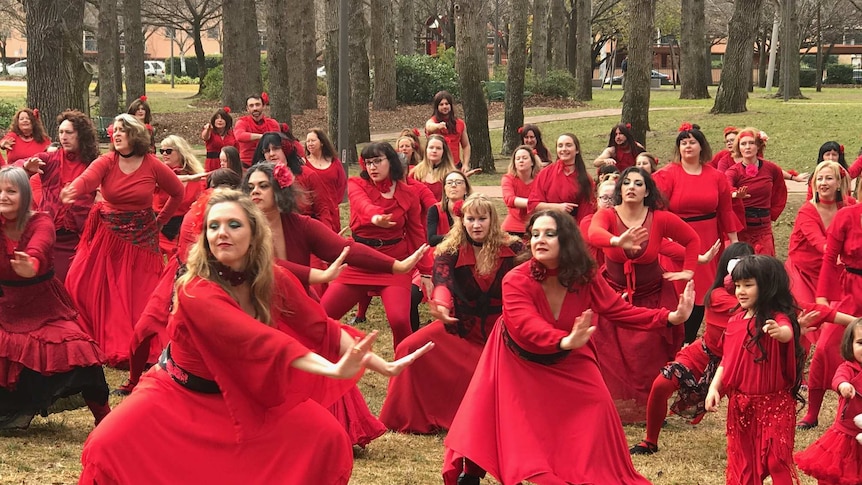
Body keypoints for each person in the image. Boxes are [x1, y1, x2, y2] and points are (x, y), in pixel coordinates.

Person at [79, 190, 382, 484]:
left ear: (254, 233)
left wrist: (370, 357)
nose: (222, 232)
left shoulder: (271, 278)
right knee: (106, 443)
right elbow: (257, 339)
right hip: (178, 395)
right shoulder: (194, 289)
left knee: (327, 437)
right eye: (214, 226)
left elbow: (320, 327)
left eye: (233, 225)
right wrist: (331, 369)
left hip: (243, 393)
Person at [442, 209, 695, 485]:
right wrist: (563, 340)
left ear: (567, 240)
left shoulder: (583, 275)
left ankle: (586, 471)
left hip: (570, 354)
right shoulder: (515, 278)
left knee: (598, 405)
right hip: (518, 357)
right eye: (535, 234)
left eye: (550, 234)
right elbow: (525, 323)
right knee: (493, 415)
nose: (540, 240)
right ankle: (472, 472)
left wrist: (669, 317)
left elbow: (616, 309)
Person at [380, 194, 525, 433]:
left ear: (492, 219)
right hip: (460, 326)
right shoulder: (450, 249)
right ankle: (402, 416)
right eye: (471, 219)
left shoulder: (513, 247)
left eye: (482, 219)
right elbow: (442, 279)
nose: (476, 225)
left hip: (501, 332)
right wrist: (442, 305)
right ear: (462, 221)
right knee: (408, 347)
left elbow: (534, 272)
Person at [60, 114, 185, 368]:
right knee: (78, 279)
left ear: (135, 135)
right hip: (108, 234)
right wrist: (75, 188)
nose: (116, 135)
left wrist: (160, 221)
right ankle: (98, 333)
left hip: (141, 237)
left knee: (136, 293)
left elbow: (177, 192)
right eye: (114, 130)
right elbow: (89, 178)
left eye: (122, 131)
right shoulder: (107, 161)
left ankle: (136, 338)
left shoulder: (151, 164)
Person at [587, 167, 700, 423]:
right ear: (619, 190)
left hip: (652, 295)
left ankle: (647, 408)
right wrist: (617, 241)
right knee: (608, 352)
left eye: (638, 183)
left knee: (650, 351)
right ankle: (616, 408)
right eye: (626, 182)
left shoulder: (659, 218)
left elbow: (692, 239)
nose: (631, 187)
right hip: (614, 294)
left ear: (647, 191)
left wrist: (688, 271)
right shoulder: (607, 215)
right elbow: (594, 234)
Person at [117, 168, 243, 396]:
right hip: (177, 275)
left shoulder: (237, 222)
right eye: (213, 189)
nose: (215, 195)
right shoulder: (197, 211)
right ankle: (134, 380)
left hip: (210, 283)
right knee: (143, 329)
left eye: (222, 190)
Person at [0, 167, 109, 430]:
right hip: (6, 305)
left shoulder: (41, 220)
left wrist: (32, 263)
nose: (3, 196)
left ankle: (106, 421)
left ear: (25, 195)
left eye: (11, 191)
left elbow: (41, 243)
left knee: (79, 349)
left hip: (44, 305)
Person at [630, 242, 755, 454]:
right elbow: (742, 307)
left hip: (740, 362)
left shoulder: (759, 303)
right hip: (705, 355)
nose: (741, 283)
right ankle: (650, 441)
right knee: (662, 383)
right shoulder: (717, 296)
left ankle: (750, 447)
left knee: (747, 404)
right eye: (736, 270)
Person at [705, 255, 805, 485]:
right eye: (738, 285)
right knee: (746, 466)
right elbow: (726, 361)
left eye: (748, 285)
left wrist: (781, 334)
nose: (740, 291)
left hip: (775, 404)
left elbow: (786, 330)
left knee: (776, 461)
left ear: (767, 285)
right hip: (743, 408)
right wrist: (714, 388)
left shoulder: (776, 319)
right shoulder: (735, 321)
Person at [320, 142, 428, 348]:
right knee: (323, 313)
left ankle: (406, 369)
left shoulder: (409, 193)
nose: (372, 167)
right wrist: (376, 216)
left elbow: (416, 235)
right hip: (359, 261)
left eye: (378, 161)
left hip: (394, 263)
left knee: (399, 321)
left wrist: (426, 272)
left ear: (391, 162)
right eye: (368, 162)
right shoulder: (356, 184)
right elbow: (362, 204)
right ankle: (321, 361)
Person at [653, 122, 741, 345]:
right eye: (683, 143)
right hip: (677, 237)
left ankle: (688, 339)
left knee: (703, 292)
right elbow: (656, 211)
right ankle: (672, 339)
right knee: (678, 291)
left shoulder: (716, 176)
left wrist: (733, 240)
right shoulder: (666, 175)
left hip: (708, 239)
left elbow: (725, 210)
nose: (688, 146)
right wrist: (667, 235)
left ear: (702, 146)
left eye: (692, 142)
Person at [786, 161, 853, 384]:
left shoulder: (849, 207)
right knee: (808, 320)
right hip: (802, 273)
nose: (823, 183)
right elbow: (821, 244)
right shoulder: (808, 210)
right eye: (820, 179)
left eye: (828, 178)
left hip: (832, 274)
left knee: (836, 325)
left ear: (839, 183)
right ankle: (796, 374)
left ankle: (842, 372)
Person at [17, 110, 99, 282]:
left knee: (76, 285)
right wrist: (25, 168)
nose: (64, 137)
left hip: (80, 238)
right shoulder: (49, 159)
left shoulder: (95, 164)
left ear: (81, 134)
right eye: (61, 132)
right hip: (49, 236)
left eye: (69, 132)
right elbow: (15, 171)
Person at [805, 196, 862, 430]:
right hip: (849, 290)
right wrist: (822, 297)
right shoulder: (846, 215)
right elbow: (830, 257)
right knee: (825, 349)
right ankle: (812, 413)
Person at [795, 318, 862, 485]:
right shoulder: (848, 368)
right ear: (850, 345)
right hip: (847, 434)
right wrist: (843, 385)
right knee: (839, 475)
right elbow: (838, 378)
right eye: (861, 342)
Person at [253, 131, 334, 231]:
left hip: (306, 233)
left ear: (285, 149)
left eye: (276, 148)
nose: (271, 154)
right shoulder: (258, 180)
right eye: (267, 151)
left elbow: (323, 209)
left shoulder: (307, 175)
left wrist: (325, 236)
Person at [725, 128, 787, 256]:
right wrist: (736, 194)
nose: (747, 147)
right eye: (743, 144)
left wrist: (772, 213)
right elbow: (725, 188)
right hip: (742, 228)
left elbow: (780, 191)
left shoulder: (772, 168)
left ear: (758, 146)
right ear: (738, 148)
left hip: (763, 227)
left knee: (765, 265)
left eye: (751, 143)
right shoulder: (733, 171)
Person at [154, 135, 206, 255]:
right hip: (160, 231)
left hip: (186, 230)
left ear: (181, 152)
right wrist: (187, 178)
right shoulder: (158, 174)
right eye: (162, 151)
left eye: (168, 150)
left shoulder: (198, 178)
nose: (164, 154)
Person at [527, 132, 596, 223]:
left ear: (577, 150)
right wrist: (557, 207)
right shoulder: (545, 173)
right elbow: (533, 204)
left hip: (572, 228)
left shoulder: (585, 178)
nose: (564, 149)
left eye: (568, 145)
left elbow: (587, 213)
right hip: (548, 224)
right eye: (560, 146)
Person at [1, 107, 51, 206]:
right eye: (22, 119)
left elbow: (51, 155)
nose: (25, 120)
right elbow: (4, 142)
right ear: (17, 123)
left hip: (37, 180)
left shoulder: (43, 139)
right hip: (14, 178)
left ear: (33, 122)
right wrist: (3, 144)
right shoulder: (13, 137)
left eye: (27, 118)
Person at [304, 128, 346, 232]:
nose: (310, 144)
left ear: (322, 142)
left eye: (313, 140)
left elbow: (342, 185)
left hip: (332, 211)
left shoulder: (335, 162)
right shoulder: (303, 163)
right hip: (313, 213)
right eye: (308, 141)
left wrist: (333, 202)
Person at [425, 90, 471, 170]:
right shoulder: (433, 121)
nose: (444, 106)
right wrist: (438, 126)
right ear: (437, 107)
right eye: (441, 104)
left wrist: (465, 164)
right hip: (436, 167)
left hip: (455, 166)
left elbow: (466, 145)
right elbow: (429, 126)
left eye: (447, 104)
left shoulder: (460, 123)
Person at [233, 93, 279, 167]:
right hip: (246, 165)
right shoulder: (242, 122)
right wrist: (263, 137)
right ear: (247, 109)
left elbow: (279, 141)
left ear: (263, 106)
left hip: (268, 165)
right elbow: (239, 136)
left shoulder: (272, 123)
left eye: (257, 104)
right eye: (251, 106)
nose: (255, 108)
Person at [501, 145, 537, 238]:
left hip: (536, 223)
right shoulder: (508, 178)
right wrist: (534, 203)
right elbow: (509, 199)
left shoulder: (540, 179)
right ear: (514, 163)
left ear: (532, 162)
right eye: (518, 159)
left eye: (525, 158)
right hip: (512, 226)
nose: (521, 160)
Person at [410, 134, 459, 201]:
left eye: (438, 148)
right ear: (426, 150)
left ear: (444, 151)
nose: (434, 151)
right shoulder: (415, 173)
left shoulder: (451, 174)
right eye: (431, 147)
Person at [200, 106, 236, 172]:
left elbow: (236, 149)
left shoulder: (232, 133)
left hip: (228, 163)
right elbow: (204, 137)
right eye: (217, 118)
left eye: (222, 118)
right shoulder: (210, 131)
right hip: (212, 163)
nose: (220, 120)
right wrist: (208, 129)